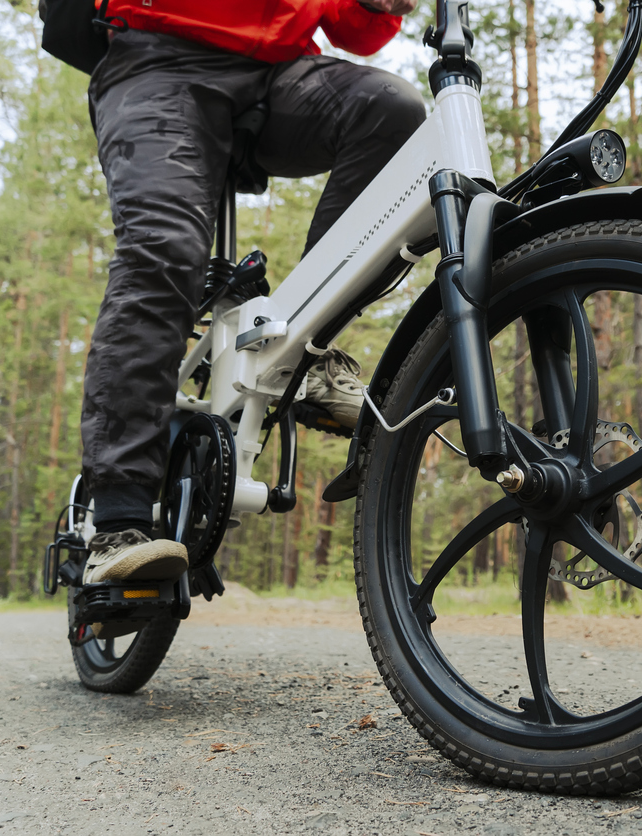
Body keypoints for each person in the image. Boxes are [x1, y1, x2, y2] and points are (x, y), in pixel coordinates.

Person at [74, 0, 425, 585]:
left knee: (391, 109)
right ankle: (118, 520)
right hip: (159, 58)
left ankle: (306, 351)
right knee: (164, 251)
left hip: (276, 71)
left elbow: (355, 30)